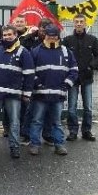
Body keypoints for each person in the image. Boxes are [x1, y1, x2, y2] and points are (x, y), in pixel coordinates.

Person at [0, 25, 34, 159]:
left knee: (14, 122)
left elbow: (29, 74)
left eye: (10, 34)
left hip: (14, 94)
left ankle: (14, 147)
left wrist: (26, 93)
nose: (7, 37)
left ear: (16, 35)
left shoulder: (23, 52)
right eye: (5, 35)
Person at [29, 24, 78, 156]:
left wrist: (66, 85)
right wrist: (37, 84)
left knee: (57, 121)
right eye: (49, 35)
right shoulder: (36, 51)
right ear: (45, 36)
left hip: (58, 94)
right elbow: (30, 71)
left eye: (54, 36)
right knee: (37, 120)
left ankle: (59, 145)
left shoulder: (67, 52)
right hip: (40, 94)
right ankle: (34, 144)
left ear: (58, 37)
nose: (51, 38)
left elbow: (74, 70)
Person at [62, 14, 98, 142]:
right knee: (71, 107)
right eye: (77, 22)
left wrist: (91, 66)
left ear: (85, 23)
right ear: (73, 24)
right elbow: (62, 57)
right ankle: (73, 131)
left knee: (88, 107)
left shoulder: (92, 39)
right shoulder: (67, 40)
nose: (79, 24)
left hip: (87, 78)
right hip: (73, 79)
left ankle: (86, 131)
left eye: (81, 22)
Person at [20, 18, 54, 145]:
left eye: (47, 29)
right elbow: (23, 53)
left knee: (49, 109)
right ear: (38, 28)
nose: (44, 32)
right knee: (31, 108)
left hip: (49, 79)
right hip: (32, 79)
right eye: (42, 29)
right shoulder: (29, 40)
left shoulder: (54, 40)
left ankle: (47, 134)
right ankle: (26, 134)